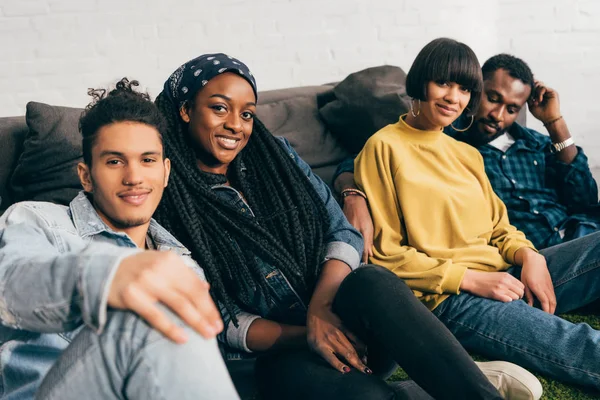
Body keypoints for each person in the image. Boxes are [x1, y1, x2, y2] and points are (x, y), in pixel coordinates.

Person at [152, 52, 542, 400]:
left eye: (247, 113)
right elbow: (220, 320)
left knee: (372, 281)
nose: (236, 125)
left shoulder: (277, 159)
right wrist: (310, 331)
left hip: (349, 323)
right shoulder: (164, 199)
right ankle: (432, 384)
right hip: (279, 356)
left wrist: (322, 309)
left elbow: (343, 233)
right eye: (219, 109)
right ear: (185, 110)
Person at [352, 37, 600, 390]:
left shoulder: (467, 154)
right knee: (576, 341)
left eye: (465, 88)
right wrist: (469, 279)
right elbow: (386, 256)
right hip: (450, 298)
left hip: (505, 273)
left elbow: (500, 228)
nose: (454, 97)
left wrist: (530, 256)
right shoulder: (383, 147)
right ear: (420, 81)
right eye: (443, 83)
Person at [0, 79, 240, 399]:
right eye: (114, 161)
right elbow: (11, 287)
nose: (134, 177)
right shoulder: (38, 220)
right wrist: (105, 275)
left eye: (147, 160)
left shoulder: (182, 264)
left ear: (166, 172)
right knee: (155, 311)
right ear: (86, 175)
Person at [335, 53, 599, 251]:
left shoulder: (535, 143)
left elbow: (585, 201)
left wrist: (555, 123)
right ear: (474, 89)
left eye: (511, 109)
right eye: (493, 98)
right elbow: (354, 164)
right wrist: (353, 197)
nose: (497, 115)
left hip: (584, 233)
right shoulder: (442, 135)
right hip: (540, 251)